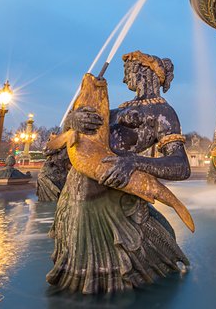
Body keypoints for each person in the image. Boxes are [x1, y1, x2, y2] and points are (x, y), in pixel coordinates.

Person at [47, 50, 191, 294]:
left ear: (145, 71)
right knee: (76, 276)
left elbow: (181, 166)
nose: (125, 81)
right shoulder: (114, 109)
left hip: (111, 201)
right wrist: (73, 120)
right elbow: (64, 143)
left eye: (129, 72)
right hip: (75, 197)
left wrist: (133, 162)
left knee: (106, 281)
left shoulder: (163, 112)